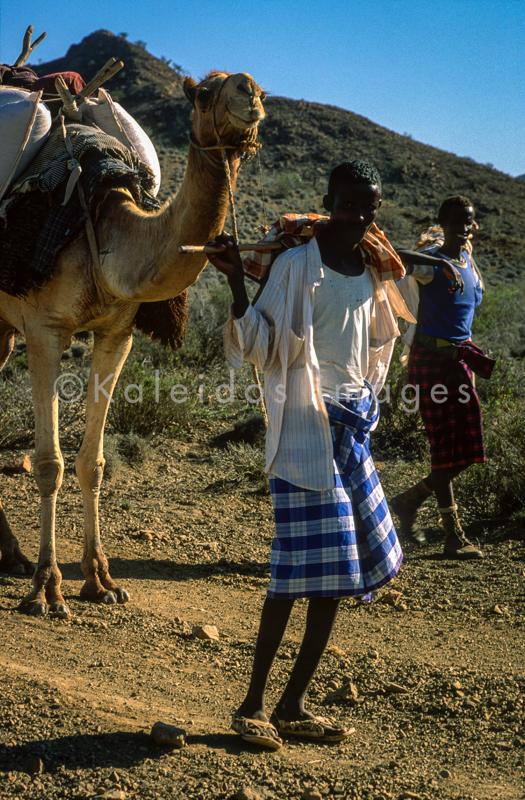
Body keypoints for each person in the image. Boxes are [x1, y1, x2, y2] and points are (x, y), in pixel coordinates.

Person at [207, 160, 450, 750]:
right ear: (329, 202)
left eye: (369, 206)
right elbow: (261, 344)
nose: (359, 215)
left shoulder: (370, 273)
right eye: (349, 204)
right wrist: (239, 284)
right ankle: (251, 704)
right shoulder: (295, 267)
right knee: (295, 571)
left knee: (335, 574)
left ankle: (292, 705)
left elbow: (380, 344)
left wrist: (369, 399)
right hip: (303, 434)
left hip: (351, 431)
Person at [391, 195, 494, 559]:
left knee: (468, 448)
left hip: (459, 361)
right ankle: (454, 536)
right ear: (442, 222)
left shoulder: (468, 262)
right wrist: (438, 261)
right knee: (443, 446)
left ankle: (409, 499)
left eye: (468, 221)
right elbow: (398, 255)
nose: (462, 228)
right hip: (431, 362)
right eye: (455, 222)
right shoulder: (434, 265)